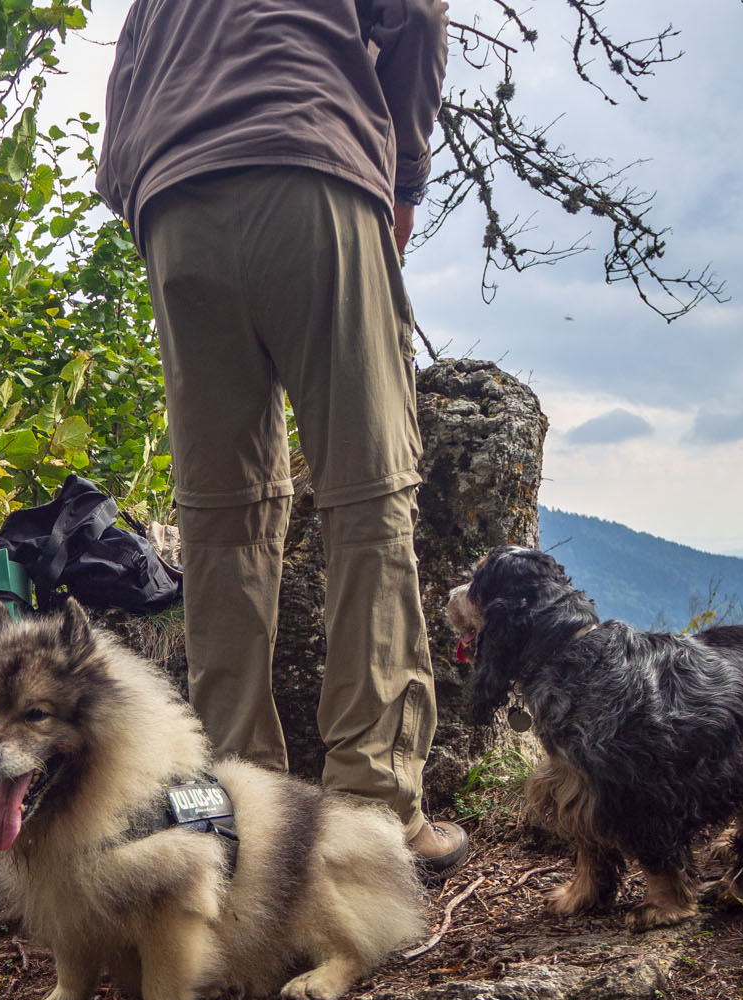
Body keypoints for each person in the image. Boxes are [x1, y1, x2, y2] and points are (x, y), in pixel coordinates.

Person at [96, 0, 470, 873]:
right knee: (367, 496)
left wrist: (152, 198)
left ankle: (229, 822)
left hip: (175, 205)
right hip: (311, 171)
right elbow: (415, 14)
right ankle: (373, 815)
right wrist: (402, 179)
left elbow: (124, 88)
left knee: (221, 524)